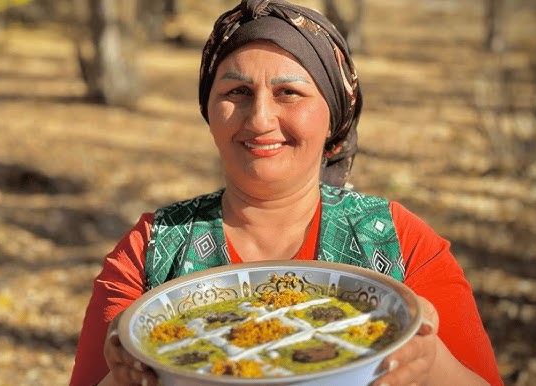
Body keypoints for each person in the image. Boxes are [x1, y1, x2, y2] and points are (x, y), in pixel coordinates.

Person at [69, 1, 503, 385]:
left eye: (288, 93)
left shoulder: (400, 242)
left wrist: (431, 365)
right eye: (237, 92)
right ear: (209, 112)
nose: (259, 118)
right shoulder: (149, 251)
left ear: (335, 117)